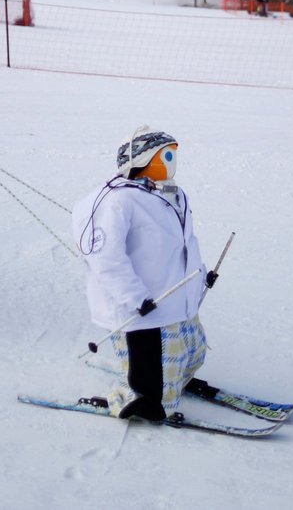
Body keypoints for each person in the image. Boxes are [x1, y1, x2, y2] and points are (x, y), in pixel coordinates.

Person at [71, 126, 215, 422]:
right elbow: (105, 257)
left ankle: (178, 380)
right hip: (144, 305)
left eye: (173, 154)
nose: (173, 161)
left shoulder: (173, 194)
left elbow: (187, 242)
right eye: (167, 155)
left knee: (193, 350)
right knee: (152, 365)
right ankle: (140, 400)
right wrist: (135, 298)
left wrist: (200, 278)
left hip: (176, 298)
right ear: (143, 159)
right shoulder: (117, 202)